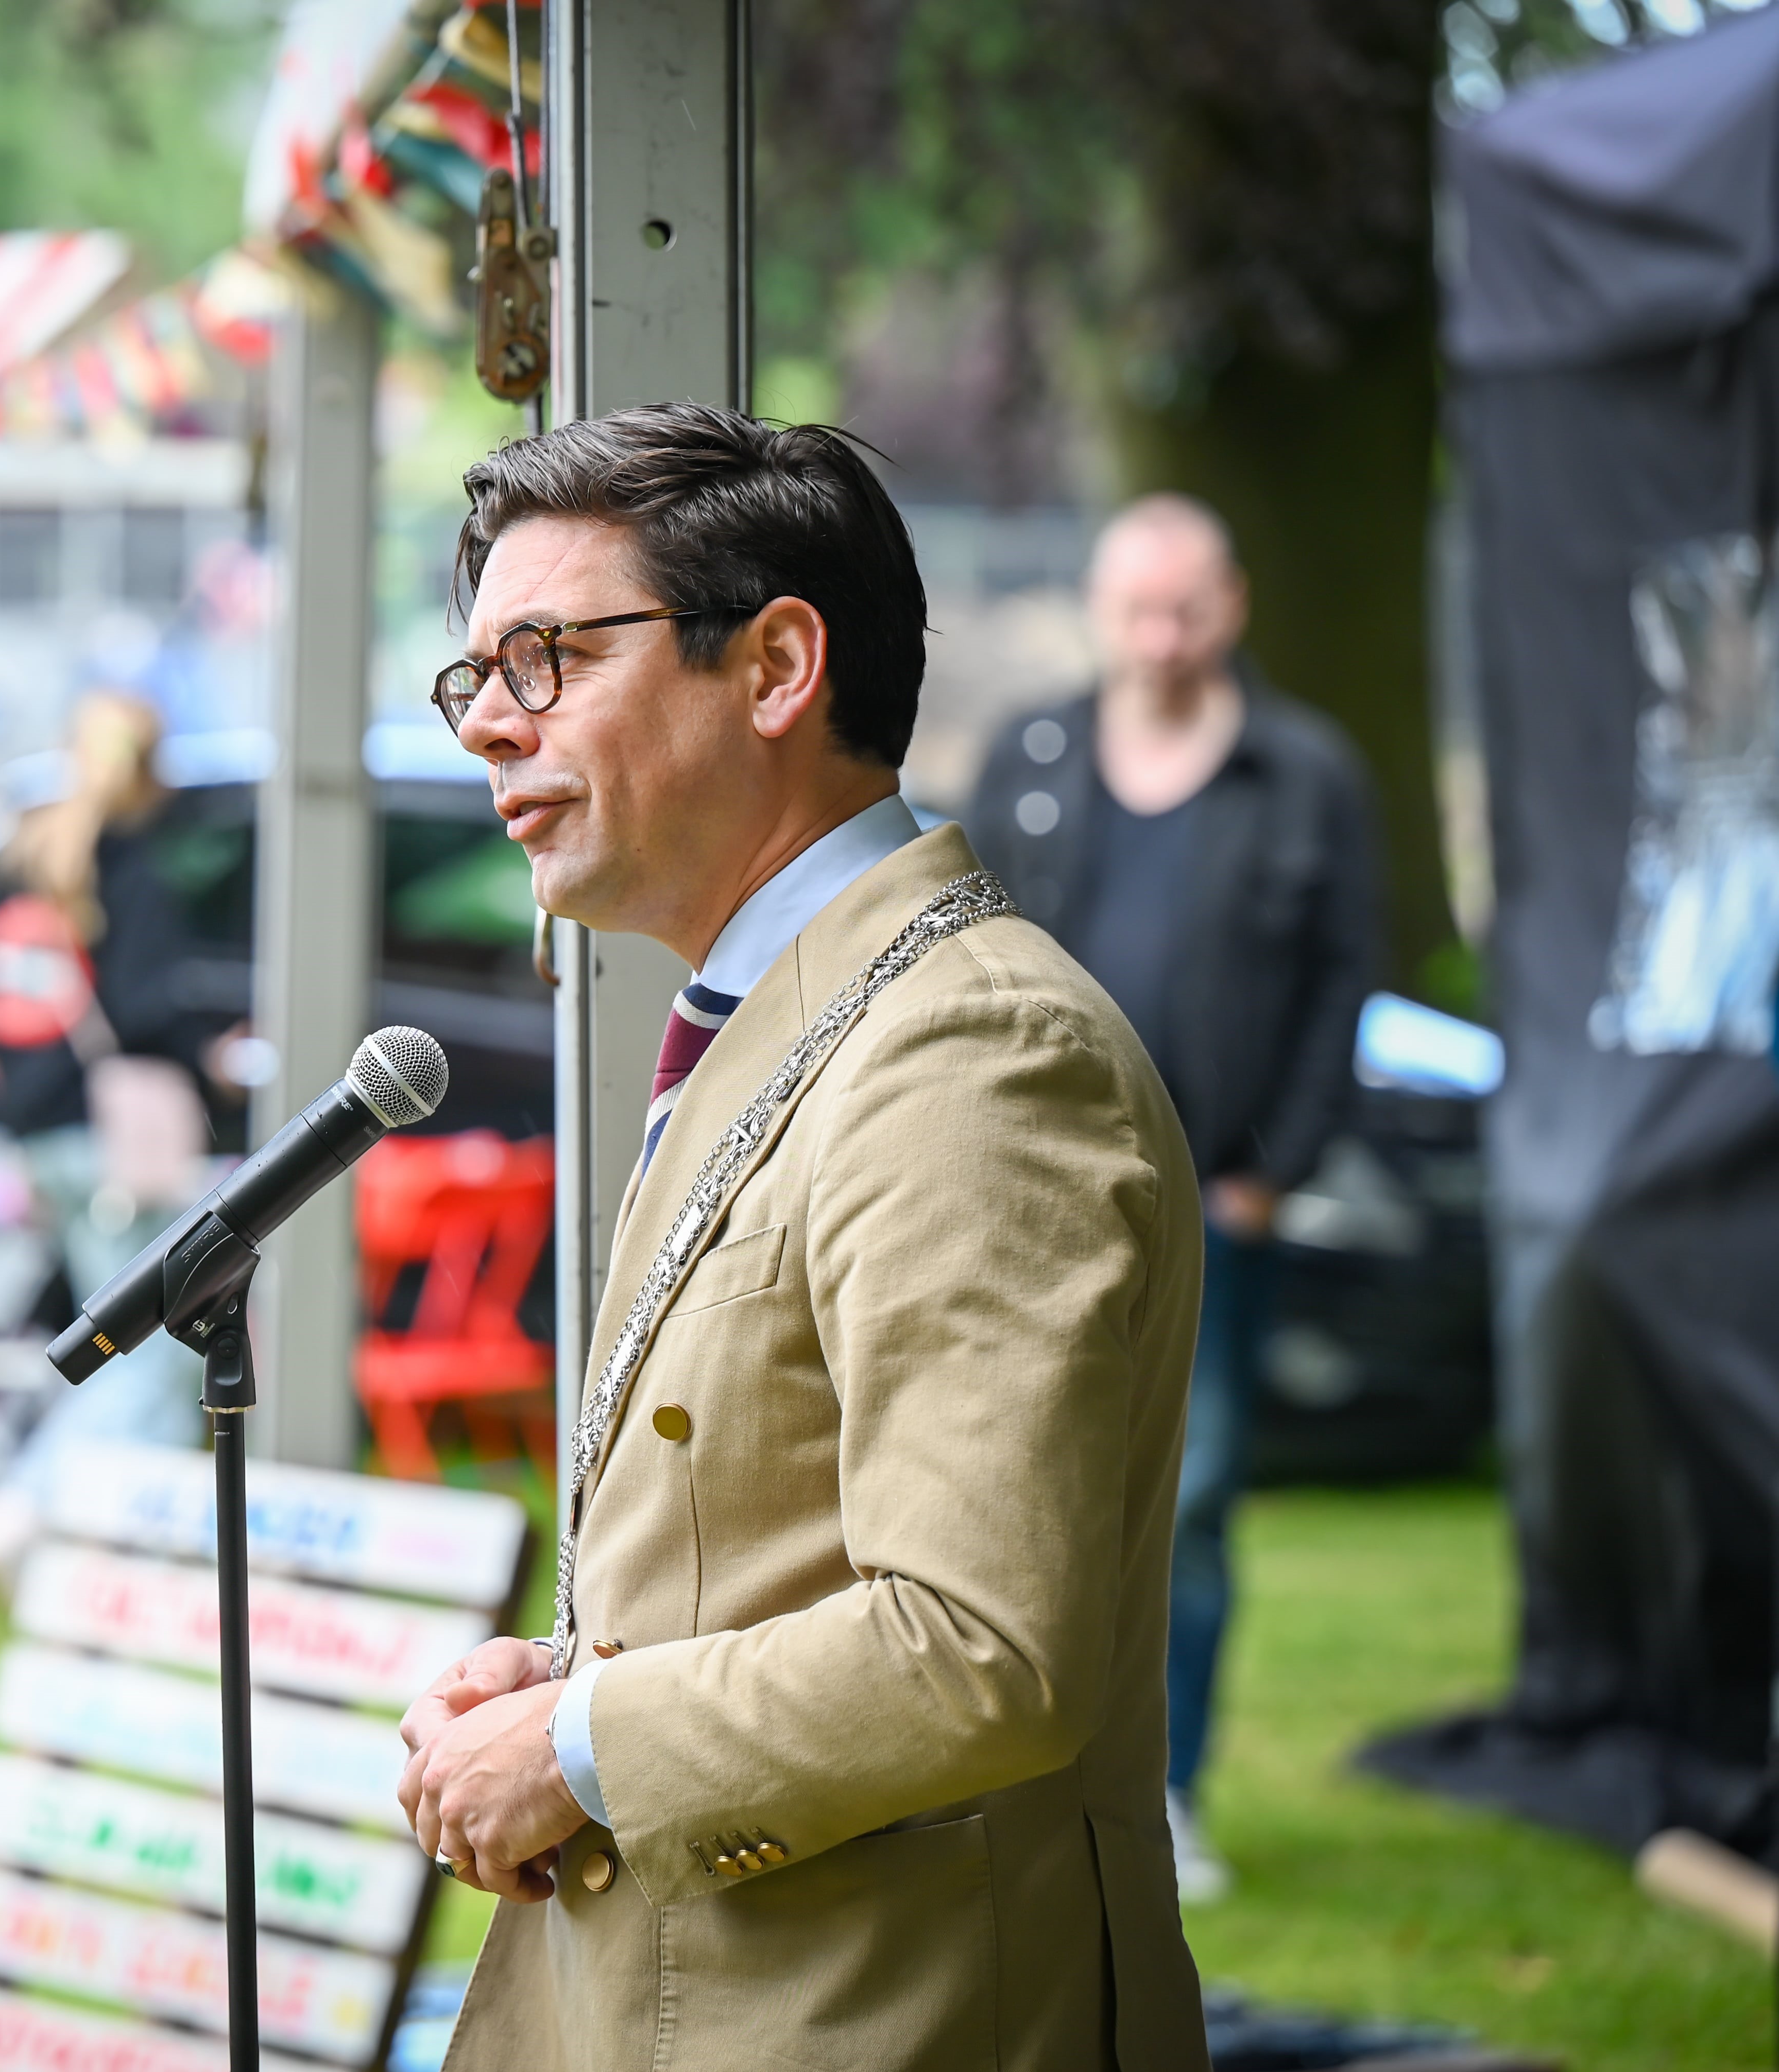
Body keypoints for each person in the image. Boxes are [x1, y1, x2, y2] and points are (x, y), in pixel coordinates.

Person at [395, 405, 1210, 2071]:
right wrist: (566, 1677)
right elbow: (781, 1525)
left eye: (547, 657)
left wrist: (581, 1744)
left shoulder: (973, 1051)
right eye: (473, 671)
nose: (485, 720)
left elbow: (980, 1645)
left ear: (773, 667)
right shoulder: (808, 1008)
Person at [967, 494, 1374, 1904]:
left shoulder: (1306, 775)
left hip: (1214, 1205)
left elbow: (1346, 979)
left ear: (1233, 606)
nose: (1161, 637)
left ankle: (1167, 1787)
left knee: (1190, 1499)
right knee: (1010, 1486)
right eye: (1137, 608)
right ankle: (1016, 1781)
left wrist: (1280, 1167)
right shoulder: (1030, 755)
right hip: (1035, 1195)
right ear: (1100, 609)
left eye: (1186, 608)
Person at [0, 690, 238, 1591]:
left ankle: (94, 1552)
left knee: (107, 1334)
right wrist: (208, 1054)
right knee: (143, 1350)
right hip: (116, 1139)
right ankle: (29, 1509)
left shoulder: (22, 857)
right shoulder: (134, 871)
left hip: (38, 1132)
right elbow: (147, 1010)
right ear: (151, 774)